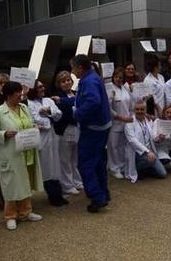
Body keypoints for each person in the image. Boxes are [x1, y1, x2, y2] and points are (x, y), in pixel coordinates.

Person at [0, 81, 44, 230]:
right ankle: (10, 215)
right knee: (11, 184)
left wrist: (34, 127)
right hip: (10, 154)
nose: (21, 94)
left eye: (21, 92)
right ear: (8, 94)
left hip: (26, 151)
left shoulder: (24, 108)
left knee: (24, 181)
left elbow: (28, 123)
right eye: (17, 92)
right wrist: (4, 134)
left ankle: (26, 211)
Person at [72, 54, 113, 213]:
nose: (72, 71)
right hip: (102, 126)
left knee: (86, 164)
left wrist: (78, 114)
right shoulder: (93, 77)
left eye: (73, 67)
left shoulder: (88, 81)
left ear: (80, 68)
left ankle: (97, 197)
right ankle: (104, 193)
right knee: (99, 162)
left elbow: (92, 102)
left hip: (92, 129)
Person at [26, 79, 67, 206]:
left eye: (43, 86)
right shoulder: (28, 103)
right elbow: (34, 119)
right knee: (46, 167)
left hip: (52, 136)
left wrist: (48, 112)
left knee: (55, 164)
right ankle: (53, 195)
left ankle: (58, 194)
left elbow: (59, 114)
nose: (43, 89)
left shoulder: (48, 100)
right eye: (39, 87)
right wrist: (48, 120)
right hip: (40, 138)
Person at [50, 70, 83, 195]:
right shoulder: (56, 97)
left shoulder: (76, 93)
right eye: (63, 81)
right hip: (64, 129)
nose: (66, 83)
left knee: (76, 157)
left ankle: (78, 181)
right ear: (58, 84)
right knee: (65, 159)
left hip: (77, 128)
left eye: (68, 80)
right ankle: (67, 185)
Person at [124, 101, 167, 179]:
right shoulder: (129, 122)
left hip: (150, 152)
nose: (139, 111)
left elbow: (153, 137)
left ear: (145, 110)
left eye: (142, 109)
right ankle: (138, 168)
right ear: (134, 110)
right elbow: (132, 140)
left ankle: (145, 168)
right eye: (137, 109)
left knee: (162, 174)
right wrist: (147, 151)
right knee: (150, 161)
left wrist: (159, 138)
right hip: (137, 153)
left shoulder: (148, 120)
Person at [107, 68, 135, 181]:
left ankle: (123, 166)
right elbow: (108, 109)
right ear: (113, 77)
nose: (119, 79)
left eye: (121, 77)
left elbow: (130, 106)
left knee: (123, 146)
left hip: (127, 123)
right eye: (117, 77)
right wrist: (120, 117)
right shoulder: (110, 89)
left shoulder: (125, 88)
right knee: (113, 146)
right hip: (115, 122)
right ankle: (114, 169)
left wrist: (130, 117)